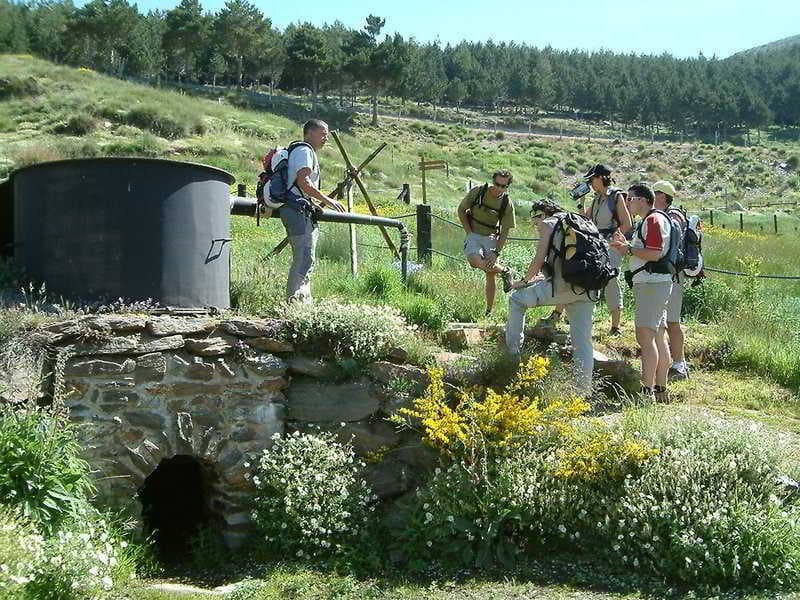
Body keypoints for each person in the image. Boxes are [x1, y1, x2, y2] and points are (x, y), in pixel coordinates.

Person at [505, 199, 595, 394]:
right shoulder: (580, 221)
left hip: (563, 286)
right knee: (582, 342)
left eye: (536, 216)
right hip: (588, 287)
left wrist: (524, 281)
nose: (535, 222)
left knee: (516, 300)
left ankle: (511, 357)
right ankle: (583, 393)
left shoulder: (549, 224)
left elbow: (538, 259)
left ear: (546, 213)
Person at [544, 165, 631, 333]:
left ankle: (615, 326)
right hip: (597, 244)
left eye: (592, 180)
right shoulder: (597, 198)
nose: (590, 183)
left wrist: (614, 239)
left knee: (611, 280)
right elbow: (586, 220)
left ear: (600, 178)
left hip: (611, 246)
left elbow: (627, 223)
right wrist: (581, 203)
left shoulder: (616, 196)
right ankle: (560, 313)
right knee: (581, 275)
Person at [610, 183, 672, 402]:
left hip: (651, 285)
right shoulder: (653, 220)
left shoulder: (653, 220)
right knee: (657, 336)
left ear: (644, 200)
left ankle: (647, 393)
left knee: (645, 338)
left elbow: (654, 254)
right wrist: (628, 247)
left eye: (631, 198)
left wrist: (627, 249)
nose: (628, 202)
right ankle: (661, 390)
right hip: (657, 284)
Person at [279, 119, 345, 302]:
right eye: (322, 133)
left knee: (305, 256)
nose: (326, 138)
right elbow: (304, 182)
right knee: (304, 257)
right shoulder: (304, 151)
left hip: (297, 208)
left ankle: (300, 300)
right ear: (309, 133)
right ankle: (295, 303)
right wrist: (327, 200)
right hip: (296, 209)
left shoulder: (302, 151)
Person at [457, 170, 516, 316]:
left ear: (507, 187)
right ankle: (505, 271)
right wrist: (469, 231)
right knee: (474, 260)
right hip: (474, 233)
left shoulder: (507, 203)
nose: (499, 188)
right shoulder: (478, 191)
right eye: (497, 184)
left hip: (491, 237)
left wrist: (496, 252)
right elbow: (461, 210)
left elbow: (505, 231)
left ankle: (488, 312)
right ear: (492, 181)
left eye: (503, 186)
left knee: (490, 273)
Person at [652, 180, 689, 380]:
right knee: (663, 321)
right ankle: (668, 362)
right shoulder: (664, 216)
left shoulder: (672, 217)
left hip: (672, 275)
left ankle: (679, 364)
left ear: (663, 196)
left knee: (672, 321)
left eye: (655, 193)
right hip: (667, 275)